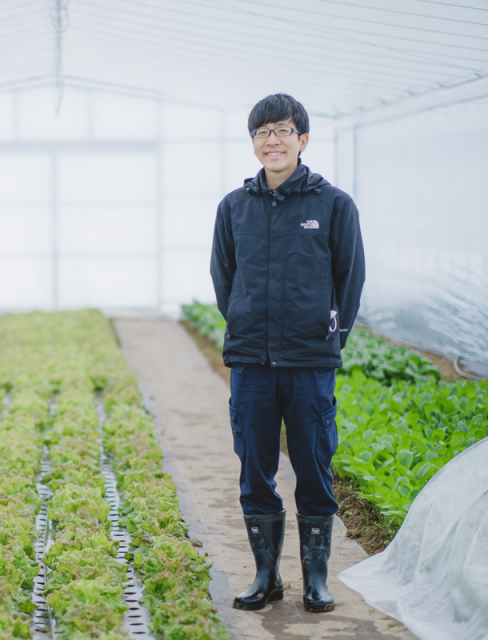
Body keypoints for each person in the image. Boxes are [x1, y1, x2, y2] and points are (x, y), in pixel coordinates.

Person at [210, 94, 365, 613]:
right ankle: (265, 576)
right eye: (261, 133)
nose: (271, 141)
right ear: (252, 143)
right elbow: (223, 277)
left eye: (281, 131)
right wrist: (248, 327)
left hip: (309, 364)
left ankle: (317, 579)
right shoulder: (234, 206)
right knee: (255, 468)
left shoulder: (333, 204)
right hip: (252, 363)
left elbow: (350, 278)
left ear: (302, 139)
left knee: (314, 468)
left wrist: (326, 342)